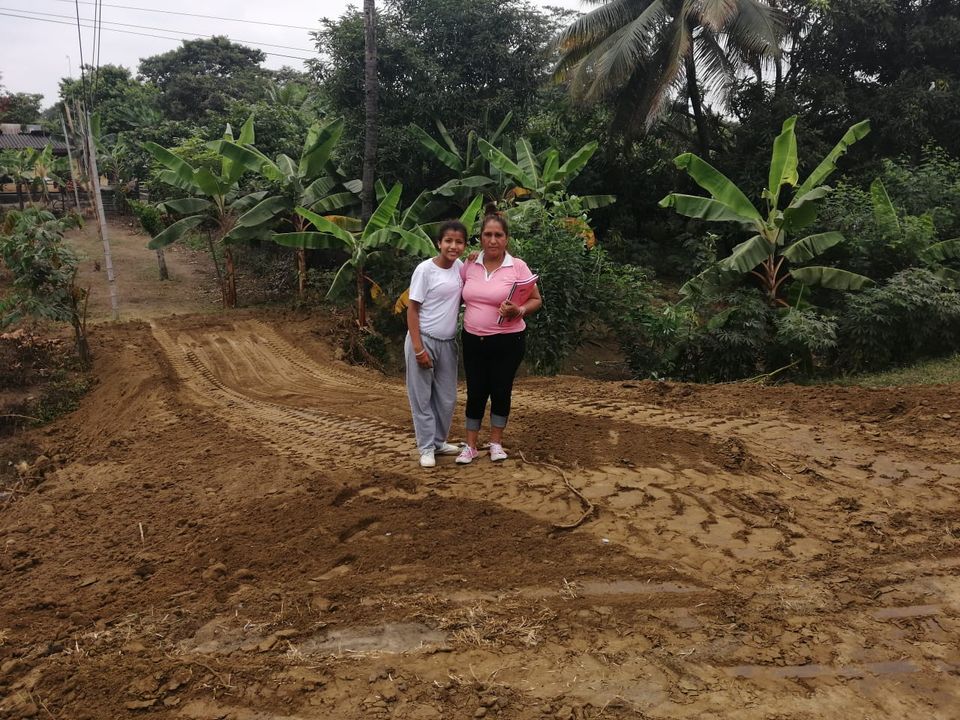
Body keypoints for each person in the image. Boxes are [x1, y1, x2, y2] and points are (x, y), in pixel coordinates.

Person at [456, 207, 542, 464]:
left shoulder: (517, 266)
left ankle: (495, 443)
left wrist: (520, 310)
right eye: (488, 235)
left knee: (501, 390)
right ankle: (470, 446)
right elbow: (455, 290)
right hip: (473, 339)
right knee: (475, 391)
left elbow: (536, 299)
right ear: (480, 237)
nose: (493, 240)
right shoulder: (470, 264)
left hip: (508, 341)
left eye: (498, 235)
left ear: (507, 239)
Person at [405, 220, 468, 468]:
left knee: (447, 398)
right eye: (448, 241)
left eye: (459, 242)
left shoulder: (460, 267)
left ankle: (439, 442)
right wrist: (418, 348)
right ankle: (426, 447)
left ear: (464, 245)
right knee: (422, 398)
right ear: (439, 243)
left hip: (448, 343)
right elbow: (412, 309)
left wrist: (474, 258)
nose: (453, 246)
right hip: (424, 338)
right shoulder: (425, 270)